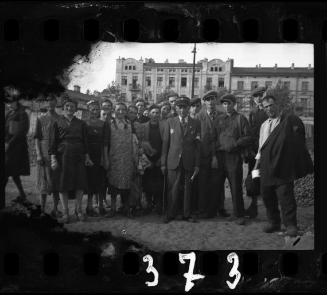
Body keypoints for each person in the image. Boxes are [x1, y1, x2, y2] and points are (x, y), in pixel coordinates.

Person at [254, 95, 313, 237]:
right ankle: (273, 222)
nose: (269, 109)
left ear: (277, 105)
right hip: (266, 165)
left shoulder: (287, 121)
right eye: (266, 107)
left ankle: (291, 225)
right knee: (267, 196)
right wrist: (256, 166)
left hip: (283, 166)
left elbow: (298, 141)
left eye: (271, 105)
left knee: (285, 197)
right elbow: (261, 147)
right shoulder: (264, 125)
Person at [49, 97, 93, 223]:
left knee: (79, 183)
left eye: (72, 106)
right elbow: (53, 142)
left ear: (76, 109)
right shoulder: (56, 122)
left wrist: (87, 157)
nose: (69, 108)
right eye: (67, 106)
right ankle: (65, 212)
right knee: (63, 184)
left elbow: (85, 142)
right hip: (63, 156)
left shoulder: (81, 123)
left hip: (79, 156)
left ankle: (78, 210)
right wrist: (53, 159)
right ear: (63, 107)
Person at [213, 93, 252, 225]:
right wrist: (215, 150)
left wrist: (235, 144)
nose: (226, 106)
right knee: (217, 185)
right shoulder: (219, 119)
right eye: (224, 103)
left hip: (233, 157)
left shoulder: (241, 119)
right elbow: (214, 136)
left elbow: (248, 137)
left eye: (229, 103)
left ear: (234, 104)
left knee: (235, 186)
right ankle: (218, 209)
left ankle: (239, 214)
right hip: (220, 156)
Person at [161, 96, 201, 223]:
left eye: (185, 107)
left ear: (189, 108)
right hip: (173, 161)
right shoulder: (170, 122)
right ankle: (170, 214)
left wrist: (197, 164)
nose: (182, 110)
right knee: (172, 187)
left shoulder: (195, 123)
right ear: (176, 108)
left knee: (187, 188)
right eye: (180, 107)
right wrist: (163, 163)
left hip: (188, 161)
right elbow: (165, 144)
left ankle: (186, 214)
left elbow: (197, 146)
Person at [196, 90, 230, 219]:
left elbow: (223, 135)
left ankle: (219, 208)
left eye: (213, 99)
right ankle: (203, 210)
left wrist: (216, 155)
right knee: (203, 184)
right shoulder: (199, 117)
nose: (210, 102)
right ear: (204, 102)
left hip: (219, 155)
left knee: (218, 183)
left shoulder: (222, 115)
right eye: (208, 99)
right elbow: (198, 139)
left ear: (216, 100)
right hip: (204, 156)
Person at [34, 94, 62, 217]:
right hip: (44, 152)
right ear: (46, 102)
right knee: (43, 181)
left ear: (56, 102)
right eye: (48, 100)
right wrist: (39, 154)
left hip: (57, 153)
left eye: (53, 100)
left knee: (56, 181)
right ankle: (42, 210)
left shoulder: (60, 118)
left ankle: (55, 209)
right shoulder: (40, 118)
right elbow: (36, 138)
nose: (50, 103)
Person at [108, 102, 136, 217]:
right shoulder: (109, 123)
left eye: (123, 110)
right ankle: (113, 209)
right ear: (114, 110)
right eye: (118, 109)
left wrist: (134, 157)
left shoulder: (130, 124)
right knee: (113, 185)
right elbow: (105, 142)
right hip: (114, 158)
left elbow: (134, 141)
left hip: (127, 159)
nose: (121, 112)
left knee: (127, 184)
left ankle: (126, 208)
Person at [244, 87, 268, 218]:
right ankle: (253, 208)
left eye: (260, 95)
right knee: (254, 178)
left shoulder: (269, 111)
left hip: (268, 153)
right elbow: (251, 133)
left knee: (268, 180)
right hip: (255, 155)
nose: (258, 98)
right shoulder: (252, 113)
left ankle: (271, 211)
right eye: (256, 96)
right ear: (253, 99)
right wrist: (251, 152)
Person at [4, 86, 30, 205]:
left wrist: (9, 144)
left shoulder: (22, 114)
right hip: (8, 145)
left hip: (17, 147)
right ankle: (22, 195)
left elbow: (21, 132)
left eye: (11, 101)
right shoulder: (9, 113)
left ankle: (22, 195)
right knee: (12, 173)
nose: (9, 104)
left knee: (7, 171)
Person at [84, 100, 110, 217]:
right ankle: (89, 207)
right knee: (90, 182)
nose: (95, 111)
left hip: (100, 155)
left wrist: (104, 158)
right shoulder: (84, 124)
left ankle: (100, 206)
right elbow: (84, 142)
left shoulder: (103, 124)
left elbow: (105, 142)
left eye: (96, 109)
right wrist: (87, 156)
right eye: (92, 109)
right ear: (88, 110)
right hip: (89, 155)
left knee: (101, 181)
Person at [141, 105, 165, 215]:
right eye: (153, 112)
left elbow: (166, 143)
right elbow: (141, 143)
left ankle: (158, 205)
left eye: (157, 113)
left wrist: (162, 158)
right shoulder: (144, 126)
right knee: (147, 183)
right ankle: (148, 204)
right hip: (148, 160)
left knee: (160, 183)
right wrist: (147, 160)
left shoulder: (164, 126)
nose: (155, 115)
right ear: (149, 114)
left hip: (160, 159)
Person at [100, 99, 113, 209]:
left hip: (112, 152)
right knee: (100, 178)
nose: (106, 108)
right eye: (104, 106)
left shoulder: (113, 121)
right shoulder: (98, 120)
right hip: (99, 152)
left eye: (108, 106)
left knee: (108, 179)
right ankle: (100, 201)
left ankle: (105, 200)